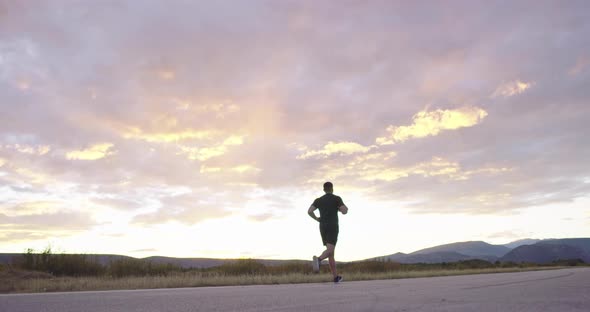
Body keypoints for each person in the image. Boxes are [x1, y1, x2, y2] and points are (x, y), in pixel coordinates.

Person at [307, 181, 348, 283]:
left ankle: (335, 277)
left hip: (322, 227)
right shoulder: (336, 199)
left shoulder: (319, 200)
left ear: (324, 189)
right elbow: (344, 211)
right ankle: (319, 260)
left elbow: (309, 211)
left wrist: (316, 218)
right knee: (330, 250)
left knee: (331, 253)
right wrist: (341, 208)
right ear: (332, 188)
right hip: (332, 226)